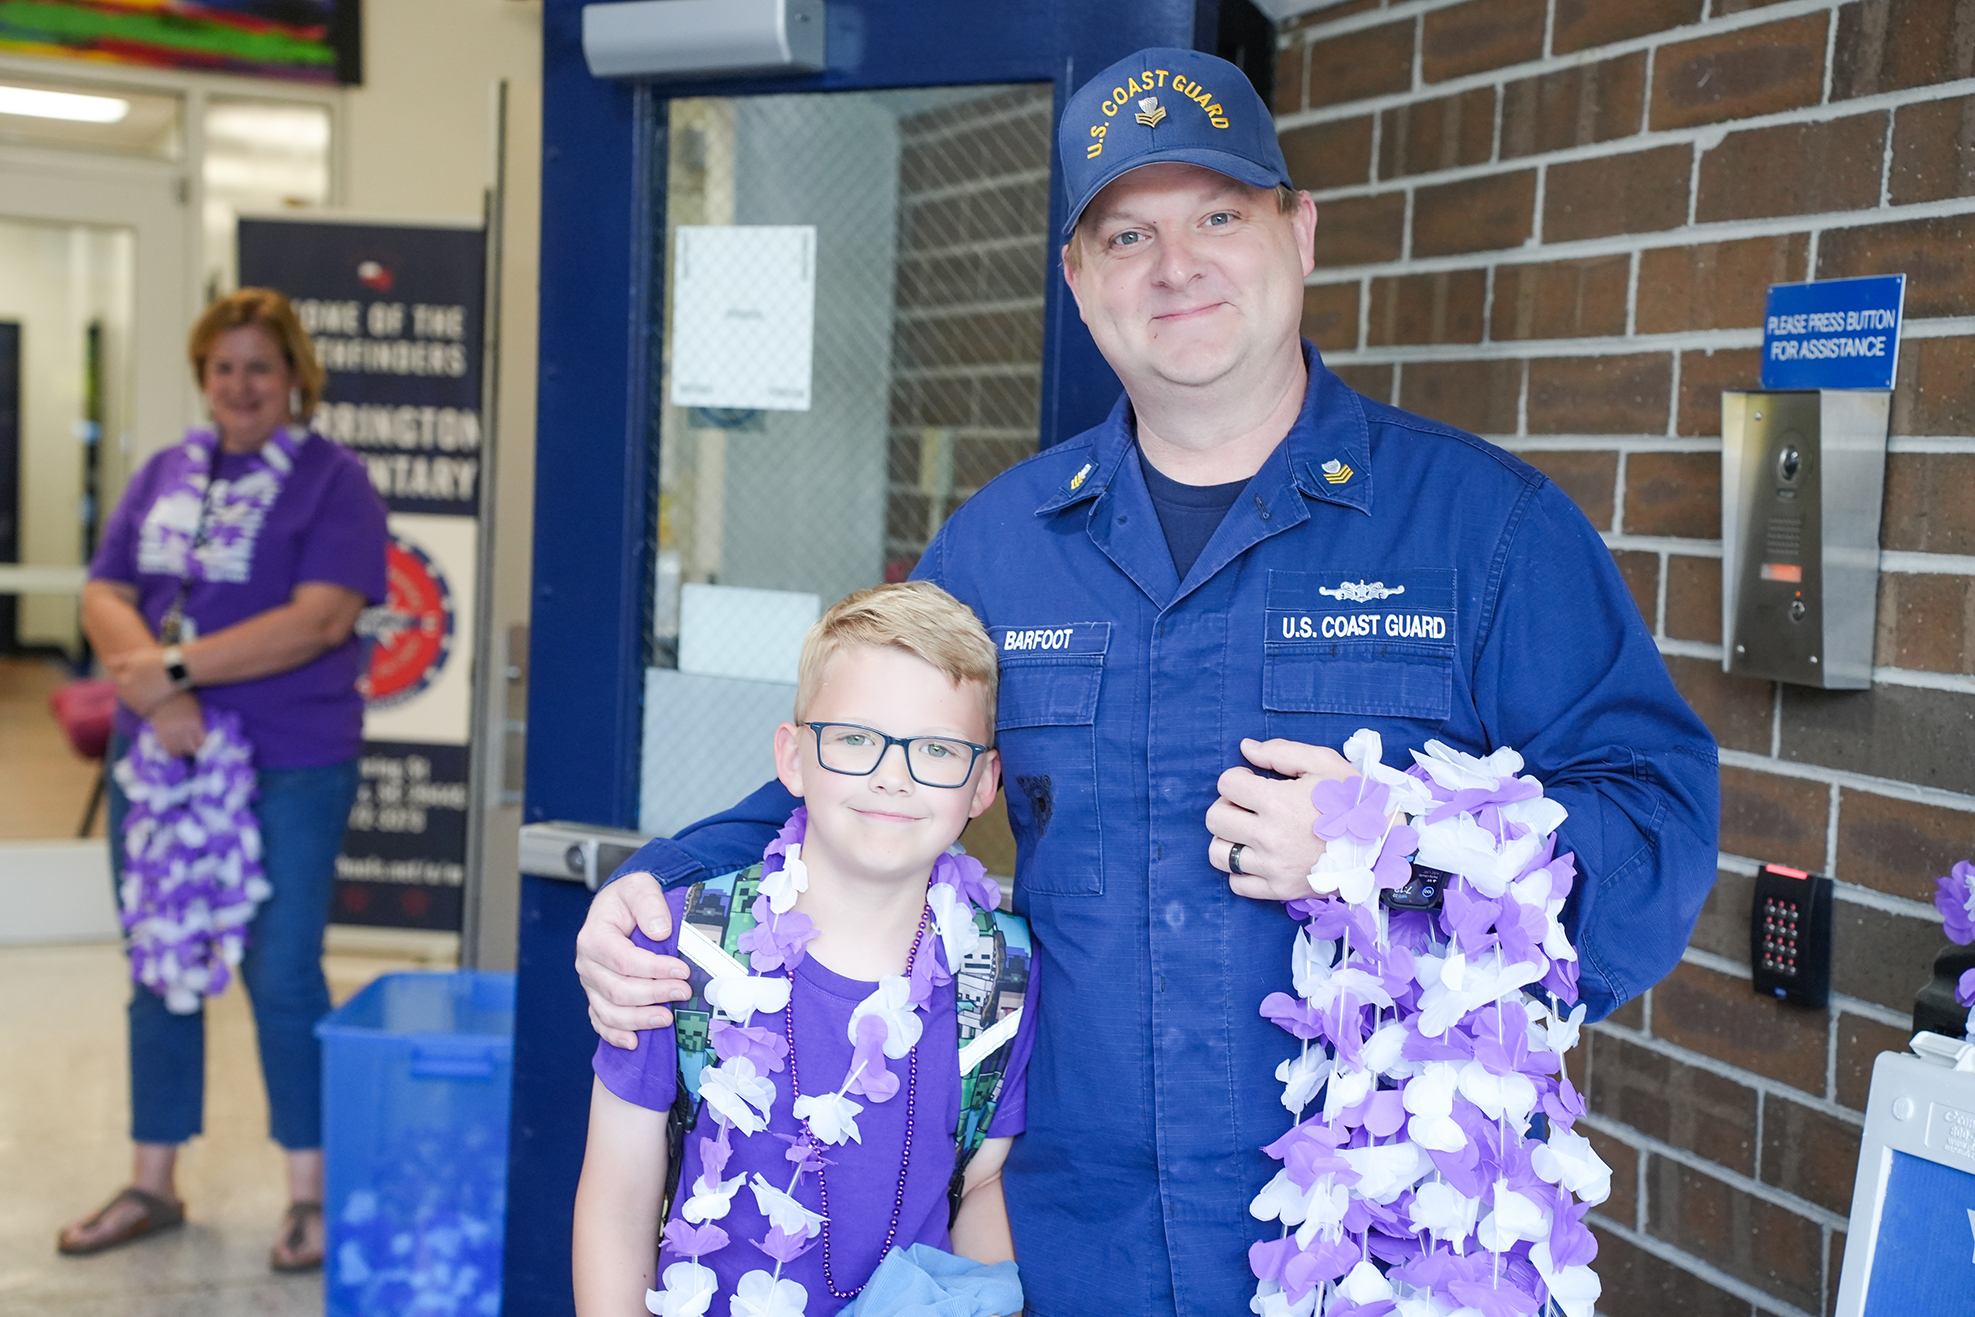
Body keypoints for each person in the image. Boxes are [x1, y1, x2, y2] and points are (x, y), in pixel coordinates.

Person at [574, 46, 1719, 1317]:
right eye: (1125, 236)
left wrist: (1395, 844)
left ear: (1301, 233)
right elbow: (850, 776)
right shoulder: (1002, 548)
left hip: (1372, 1263)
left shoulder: (1482, 531)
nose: (1176, 266)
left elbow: (1656, 842)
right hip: (1061, 1249)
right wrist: (647, 893)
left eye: (1218, 214)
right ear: (1077, 281)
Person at [572, 582, 1035, 1317]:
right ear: (793, 757)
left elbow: (978, 1183)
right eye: (855, 738)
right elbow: (616, 1198)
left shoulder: (999, 975)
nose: (893, 775)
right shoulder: (682, 946)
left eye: (937, 749)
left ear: (982, 784)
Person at [59, 288, 388, 1271]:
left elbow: (322, 617)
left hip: (290, 758)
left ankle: (311, 1199)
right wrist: (159, 700)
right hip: (161, 761)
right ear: (203, 376)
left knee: (281, 971)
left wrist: (178, 672)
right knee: (158, 963)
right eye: (223, 366)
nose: (240, 385)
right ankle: (152, 1183)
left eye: (260, 366)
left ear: (295, 377)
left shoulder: (335, 482)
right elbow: (106, 590)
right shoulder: (165, 472)